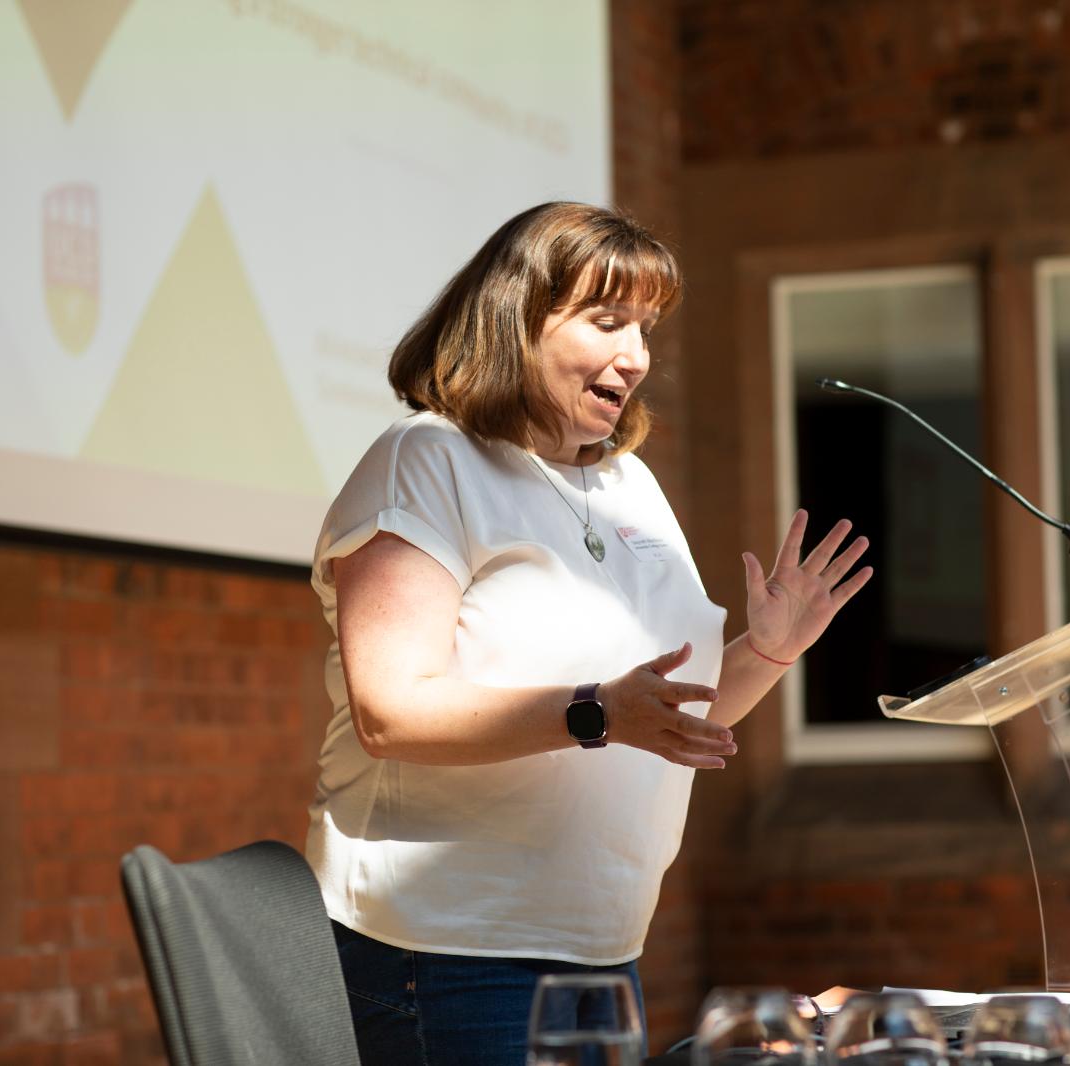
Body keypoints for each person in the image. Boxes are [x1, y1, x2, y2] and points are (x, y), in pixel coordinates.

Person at [309, 201, 872, 1065]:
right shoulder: (428, 458)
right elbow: (392, 711)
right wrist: (593, 713)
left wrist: (767, 650)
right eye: (607, 321)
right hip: (448, 950)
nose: (635, 355)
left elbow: (667, 712)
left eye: (645, 328)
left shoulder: (627, 483)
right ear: (514, 322)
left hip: (601, 946)